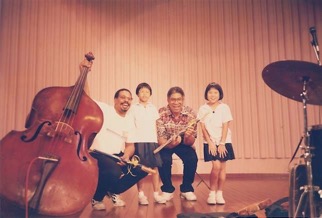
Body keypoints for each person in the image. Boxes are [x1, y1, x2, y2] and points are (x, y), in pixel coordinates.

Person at [80, 59, 148, 211]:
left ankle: (113, 190)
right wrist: (84, 73)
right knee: (113, 171)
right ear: (115, 100)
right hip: (98, 154)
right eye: (123, 97)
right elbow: (86, 97)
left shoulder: (130, 120)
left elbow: (130, 145)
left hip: (118, 155)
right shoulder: (105, 109)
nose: (126, 101)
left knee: (143, 168)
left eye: (129, 99)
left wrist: (127, 156)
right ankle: (97, 198)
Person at [156, 86, 198, 201]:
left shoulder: (190, 113)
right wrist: (172, 143)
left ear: (183, 99)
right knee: (164, 159)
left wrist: (188, 136)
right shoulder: (161, 113)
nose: (176, 102)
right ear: (168, 100)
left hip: (183, 141)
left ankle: (186, 189)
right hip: (166, 142)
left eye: (179, 99)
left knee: (192, 158)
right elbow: (160, 140)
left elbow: (191, 142)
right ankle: (167, 190)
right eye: (173, 99)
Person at [197, 82, 235, 205]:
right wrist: (210, 143)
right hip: (210, 141)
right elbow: (202, 127)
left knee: (222, 168)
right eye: (210, 92)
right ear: (206, 94)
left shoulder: (224, 107)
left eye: (215, 92)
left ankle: (220, 193)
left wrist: (222, 143)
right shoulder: (203, 108)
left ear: (219, 94)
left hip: (224, 141)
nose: (212, 95)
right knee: (216, 167)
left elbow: (225, 125)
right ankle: (211, 193)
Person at [131, 82, 166, 205]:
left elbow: (157, 125)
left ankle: (156, 194)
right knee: (140, 168)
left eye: (147, 91)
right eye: (142, 91)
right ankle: (141, 195)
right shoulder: (133, 108)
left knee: (155, 168)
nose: (144, 94)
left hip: (152, 141)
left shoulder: (153, 108)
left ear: (150, 94)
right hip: (138, 141)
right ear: (137, 94)